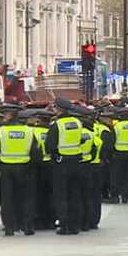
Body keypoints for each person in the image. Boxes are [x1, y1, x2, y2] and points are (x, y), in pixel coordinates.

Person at [0, 104, 40, 236]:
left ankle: (9, 227)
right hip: (25, 168)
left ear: (11, 116)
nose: (3, 117)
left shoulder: (1, 132)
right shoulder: (29, 131)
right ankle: (28, 226)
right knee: (27, 198)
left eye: (5, 114)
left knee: (7, 199)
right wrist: (33, 167)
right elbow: (35, 152)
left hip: (6, 169)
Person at [45, 98, 84, 235]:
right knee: (75, 194)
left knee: (61, 195)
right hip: (77, 162)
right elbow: (81, 139)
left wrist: (54, 155)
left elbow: (49, 146)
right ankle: (75, 225)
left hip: (62, 163)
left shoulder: (57, 125)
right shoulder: (77, 122)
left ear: (59, 109)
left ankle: (64, 224)